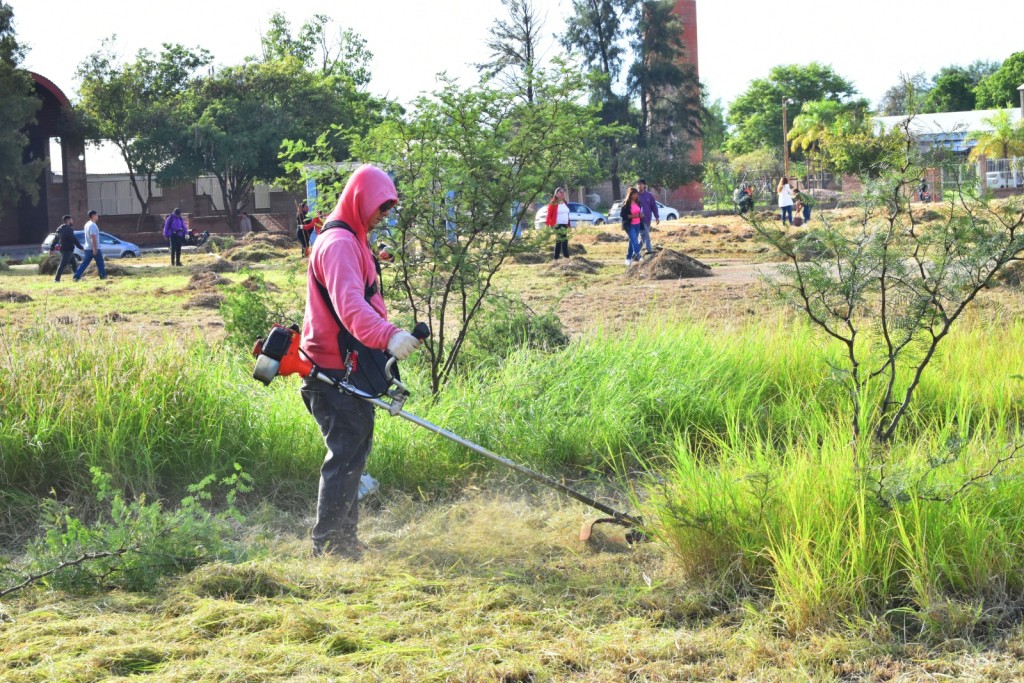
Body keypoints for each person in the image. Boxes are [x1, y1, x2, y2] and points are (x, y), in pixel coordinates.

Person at [300, 164, 422, 558]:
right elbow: (350, 307)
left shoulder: (354, 239)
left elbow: (364, 301)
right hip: (334, 372)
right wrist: (388, 336)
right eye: (380, 207)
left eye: (388, 209)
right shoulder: (338, 245)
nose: (383, 215)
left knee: (353, 456)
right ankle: (330, 547)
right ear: (361, 200)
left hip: (348, 368)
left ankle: (343, 540)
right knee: (345, 457)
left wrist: (389, 331)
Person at [72, 210, 106, 281]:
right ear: (93, 216)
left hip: (87, 248)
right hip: (93, 248)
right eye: (96, 215)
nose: (97, 216)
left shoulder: (87, 224)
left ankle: (76, 276)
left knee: (84, 263)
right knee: (100, 263)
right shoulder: (93, 225)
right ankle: (103, 276)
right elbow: (93, 237)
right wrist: (95, 248)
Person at [53, 215, 84, 282]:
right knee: (62, 265)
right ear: (68, 221)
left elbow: (55, 239)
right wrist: (81, 247)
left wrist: (51, 248)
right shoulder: (68, 229)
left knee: (74, 264)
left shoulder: (59, 229)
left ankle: (77, 277)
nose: (72, 222)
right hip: (68, 250)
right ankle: (57, 279)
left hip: (64, 249)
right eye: (71, 220)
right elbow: (73, 239)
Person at [619, 186, 643, 266]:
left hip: (638, 224)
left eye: (636, 194)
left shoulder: (638, 202)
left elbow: (639, 212)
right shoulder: (626, 203)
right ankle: (639, 256)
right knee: (635, 241)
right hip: (629, 225)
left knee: (632, 241)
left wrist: (640, 215)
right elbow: (622, 215)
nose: (636, 196)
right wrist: (633, 216)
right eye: (634, 195)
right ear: (630, 194)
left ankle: (628, 258)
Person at [545, 187, 571, 260]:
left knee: (559, 241)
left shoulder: (564, 202)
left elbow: (567, 213)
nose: (562, 194)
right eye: (560, 192)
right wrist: (547, 224)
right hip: (557, 224)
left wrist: (568, 224)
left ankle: (556, 257)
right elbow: (549, 213)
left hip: (564, 224)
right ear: (556, 194)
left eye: (563, 192)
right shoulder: (553, 202)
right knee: (564, 239)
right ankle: (566, 256)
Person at [636, 178, 660, 256]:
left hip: (648, 219)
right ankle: (650, 252)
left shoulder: (649, 195)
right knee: (646, 235)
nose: (639, 185)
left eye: (641, 184)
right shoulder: (635, 196)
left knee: (643, 238)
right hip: (639, 220)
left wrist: (657, 217)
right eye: (638, 184)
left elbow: (653, 206)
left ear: (644, 185)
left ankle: (635, 254)